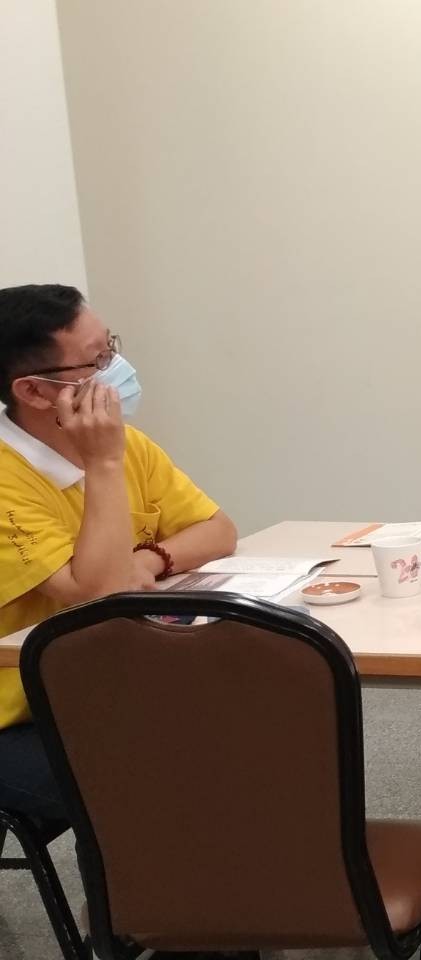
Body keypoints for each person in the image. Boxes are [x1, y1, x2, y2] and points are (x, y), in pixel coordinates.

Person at [0, 284, 237, 824]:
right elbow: (101, 598)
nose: (116, 370)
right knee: (153, 780)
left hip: (106, 683)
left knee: (260, 717)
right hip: (21, 712)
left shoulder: (129, 445)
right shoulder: (22, 473)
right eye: (97, 360)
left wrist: (150, 559)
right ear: (34, 391)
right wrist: (102, 464)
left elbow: (218, 530)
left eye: (111, 348)